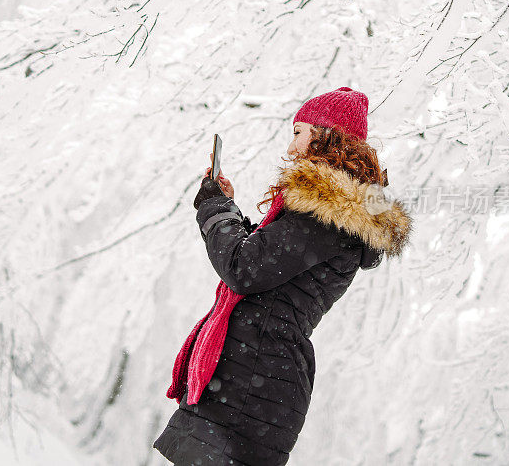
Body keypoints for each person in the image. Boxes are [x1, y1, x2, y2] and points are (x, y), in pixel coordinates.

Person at [154, 87, 413, 465]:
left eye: (298, 133)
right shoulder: (327, 215)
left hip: (252, 386)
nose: (291, 149)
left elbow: (243, 269)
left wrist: (215, 209)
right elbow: (264, 262)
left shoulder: (327, 216)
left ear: (326, 136)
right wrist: (226, 209)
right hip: (254, 380)